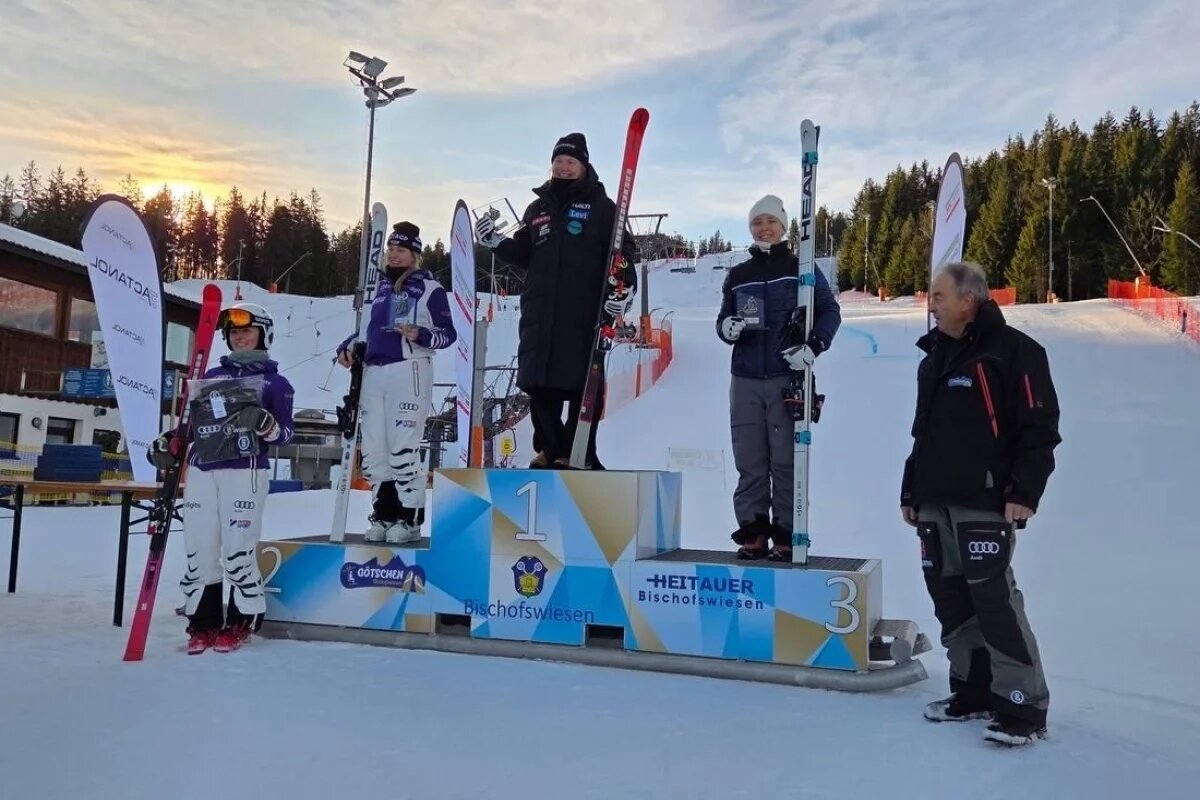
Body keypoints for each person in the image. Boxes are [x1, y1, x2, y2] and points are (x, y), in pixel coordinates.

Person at [900, 261, 1061, 747]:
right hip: (934, 502)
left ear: (968, 301)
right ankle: (972, 689)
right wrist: (912, 491)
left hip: (984, 501)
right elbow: (921, 432)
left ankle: (1021, 702)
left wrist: (1023, 492)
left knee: (993, 600)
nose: (931, 303)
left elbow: (1040, 429)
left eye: (939, 295)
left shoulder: (1015, 352)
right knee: (949, 599)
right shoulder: (933, 359)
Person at [475, 132, 637, 469]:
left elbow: (624, 254)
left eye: (571, 161)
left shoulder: (603, 208)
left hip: (584, 314)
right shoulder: (537, 209)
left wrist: (623, 290)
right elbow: (523, 253)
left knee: (584, 387)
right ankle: (551, 450)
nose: (563, 167)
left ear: (583, 165)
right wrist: (494, 241)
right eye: (558, 161)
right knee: (539, 386)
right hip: (540, 313)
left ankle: (579, 453)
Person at [148, 302, 295, 655]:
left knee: (237, 552)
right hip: (202, 471)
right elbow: (190, 427)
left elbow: (287, 434)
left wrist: (268, 426)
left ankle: (240, 622)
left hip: (244, 472)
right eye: (233, 332)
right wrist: (170, 442)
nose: (240, 336)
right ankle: (203, 623)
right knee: (201, 551)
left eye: (247, 330)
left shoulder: (275, 383)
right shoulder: (210, 377)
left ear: (264, 334)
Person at [715, 194, 841, 560]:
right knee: (750, 458)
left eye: (771, 221)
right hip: (746, 377)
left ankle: (786, 534)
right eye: (757, 223)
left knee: (786, 459)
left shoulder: (801, 267)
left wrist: (814, 345)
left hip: (788, 376)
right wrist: (728, 328)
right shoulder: (738, 275)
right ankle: (754, 533)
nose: (764, 228)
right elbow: (723, 322)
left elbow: (829, 311)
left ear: (784, 226)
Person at [336, 221, 457, 543]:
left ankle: (410, 517)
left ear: (414, 254)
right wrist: (346, 349)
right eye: (390, 249)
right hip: (374, 374)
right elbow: (365, 332)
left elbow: (448, 335)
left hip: (409, 369)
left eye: (400, 250)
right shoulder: (380, 288)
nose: (393, 255)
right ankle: (385, 515)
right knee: (375, 452)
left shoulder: (430, 288)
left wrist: (421, 334)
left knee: (402, 448)